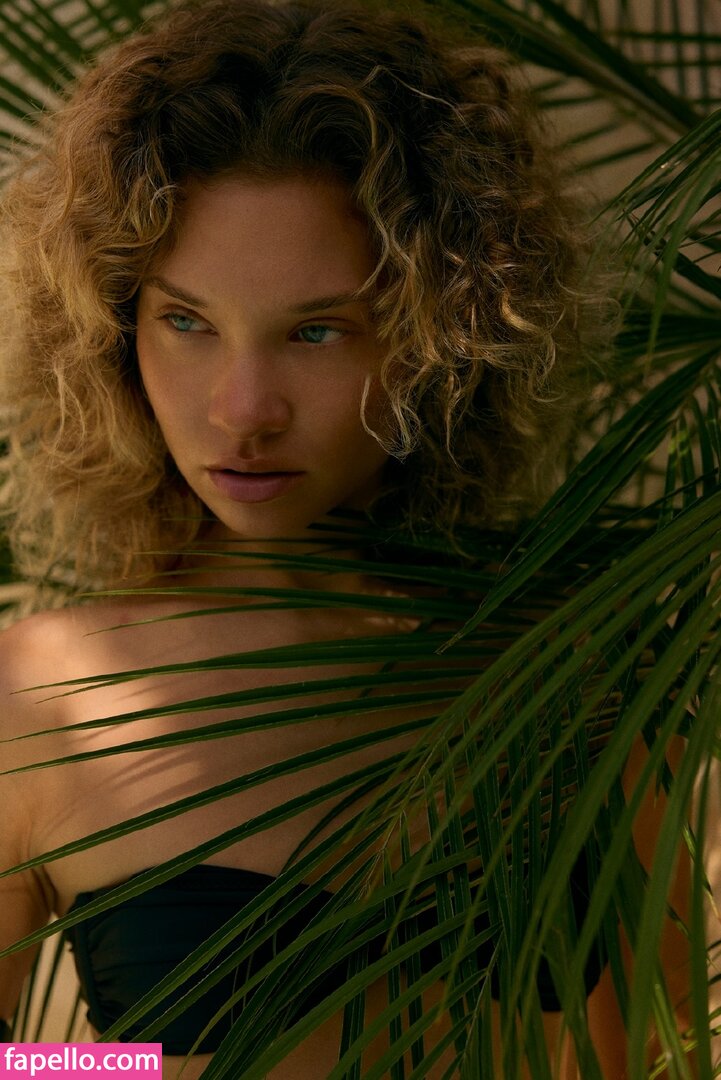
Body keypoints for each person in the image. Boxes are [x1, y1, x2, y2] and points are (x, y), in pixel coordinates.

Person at [0, 0, 693, 1076]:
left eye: (316, 331)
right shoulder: (43, 693)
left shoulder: (566, 670)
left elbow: (657, 1053)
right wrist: (136, 1068)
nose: (242, 409)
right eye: (186, 322)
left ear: (443, 340)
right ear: (110, 328)